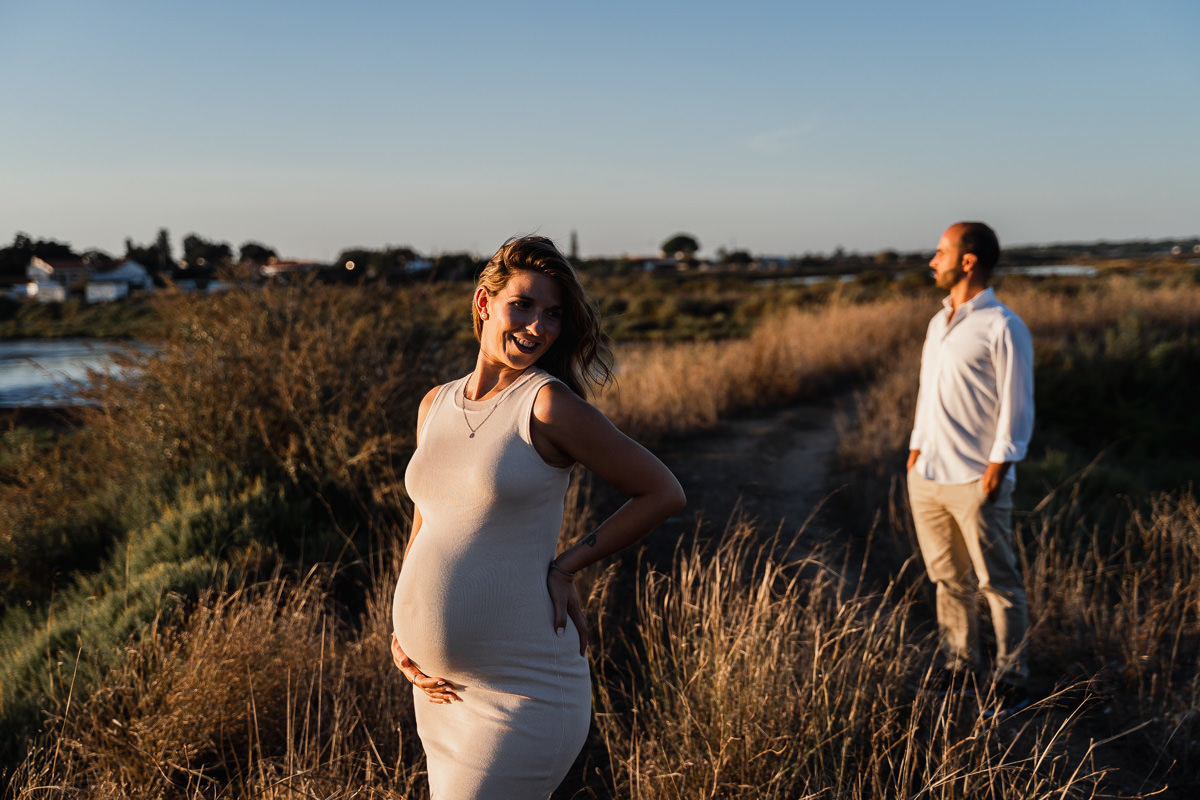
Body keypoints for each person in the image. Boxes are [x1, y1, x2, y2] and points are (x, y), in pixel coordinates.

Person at [389, 235, 686, 799]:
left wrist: (567, 567)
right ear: (483, 303)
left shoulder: (547, 404)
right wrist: (401, 629)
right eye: (522, 305)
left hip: (522, 692)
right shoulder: (435, 405)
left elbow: (662, 492)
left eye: (553, 314)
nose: (537, 326)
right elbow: (426, 523)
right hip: (439, 694)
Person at [906, 221, 1035, 709]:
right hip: (928, 475)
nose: (932, 261)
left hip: (976, 479)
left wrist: (999, 467)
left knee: (997, 582)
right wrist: (915, 451)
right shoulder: (938, 323)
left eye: (941, 252)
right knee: (946, 578)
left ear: (968, 260)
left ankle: (1012, 673)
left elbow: (1017, 404)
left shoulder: (1003, 324)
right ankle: (959, 664)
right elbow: (927, 393)